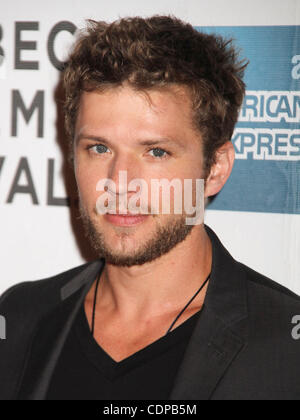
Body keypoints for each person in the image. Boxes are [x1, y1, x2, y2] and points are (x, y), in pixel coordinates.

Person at [1, 15, 300, 401]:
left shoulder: (285, 345)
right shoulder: (21, 316)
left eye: (156, 152)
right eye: (99, 148)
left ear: (215, 169)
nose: (120, 182)